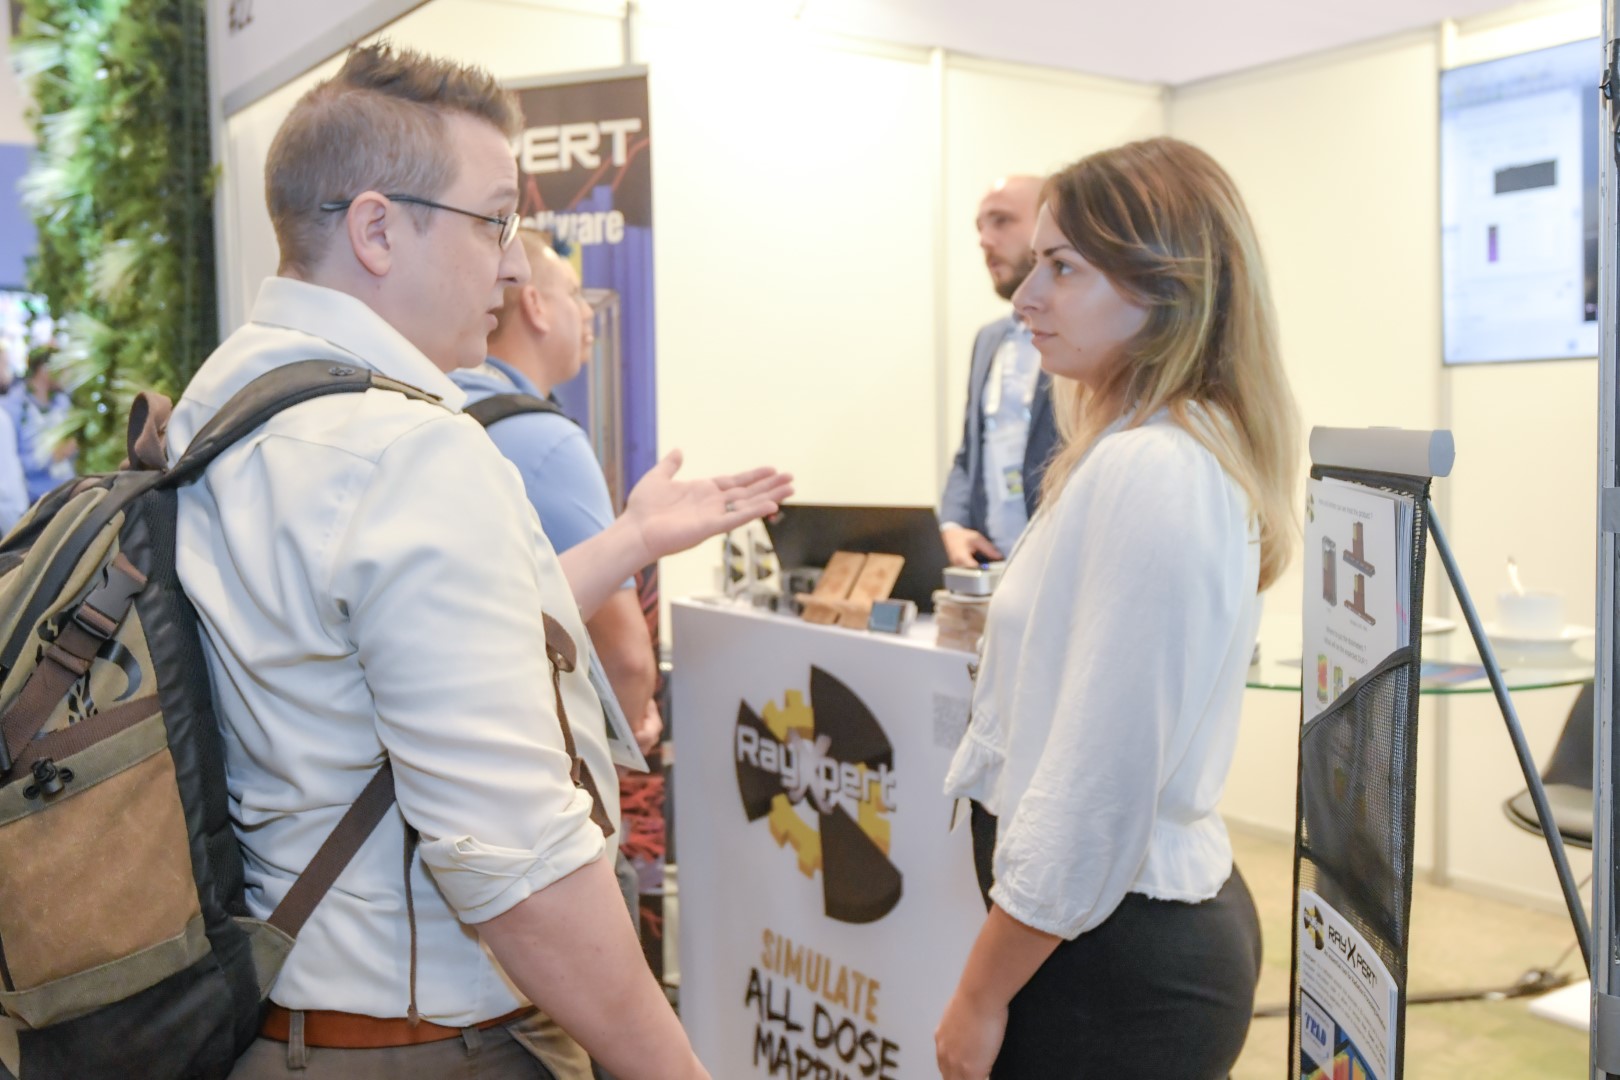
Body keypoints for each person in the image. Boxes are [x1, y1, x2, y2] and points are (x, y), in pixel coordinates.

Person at [166, 43, 786, 1079]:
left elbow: (370, 647)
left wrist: (630, 539)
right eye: (494, 219)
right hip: (425, 1044)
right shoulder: (407, 451)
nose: (512, 265)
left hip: (282, 1022)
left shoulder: (228, 399)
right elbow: (520, 869)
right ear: (375, 230)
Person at [935, 137, 1300, 1080]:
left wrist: (978, 995)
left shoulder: (1156, 469)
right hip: (1091, 946)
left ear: (1165, 286)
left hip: (1112, 967)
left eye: (1062, 268)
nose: (1026, 297)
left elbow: (1091, 791)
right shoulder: (1133, 447)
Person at [451, 231, 662, 750]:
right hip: (540, 762)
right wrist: (627, 732)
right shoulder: (549, 442)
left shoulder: (437, 406)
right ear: (535, 306)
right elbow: (627, 661)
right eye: (573, 293)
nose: (587, 312)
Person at [938, 175, 1058, 568]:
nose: (985, 241)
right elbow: (969, 452)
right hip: (994, 570)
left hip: (1057, 566)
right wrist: (953, 524)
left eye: (1002, 221)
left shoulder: (1080, 341)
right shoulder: (989, 340)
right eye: (980, 227)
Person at [6, 347, 77, 503]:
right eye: (62, 369)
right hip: (35, 501)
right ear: (44, 369)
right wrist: (51, 457)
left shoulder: (62, 402)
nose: (67, 375)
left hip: (69, 491)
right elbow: (9, 463)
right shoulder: (14, 407)